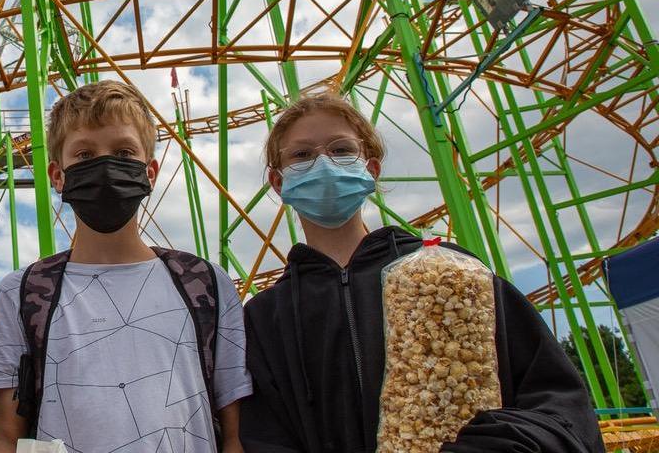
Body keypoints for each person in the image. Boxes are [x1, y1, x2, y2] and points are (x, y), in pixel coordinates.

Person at [238, 92, 605, 453]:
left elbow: (558, 403)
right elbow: (262, 435)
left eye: (341, 150)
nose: (323, 164)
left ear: (371, 168)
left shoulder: (449, 274)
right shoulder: (263, 317)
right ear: (278, 182)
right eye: (302, 155)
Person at [0, 80, 252, 453]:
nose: (106, 165)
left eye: (125, 152)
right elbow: (4, 437)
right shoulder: (23, 291)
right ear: (57, 176)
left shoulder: (205, 283)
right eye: (84, 155)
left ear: (151, 172)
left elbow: (236, 434)